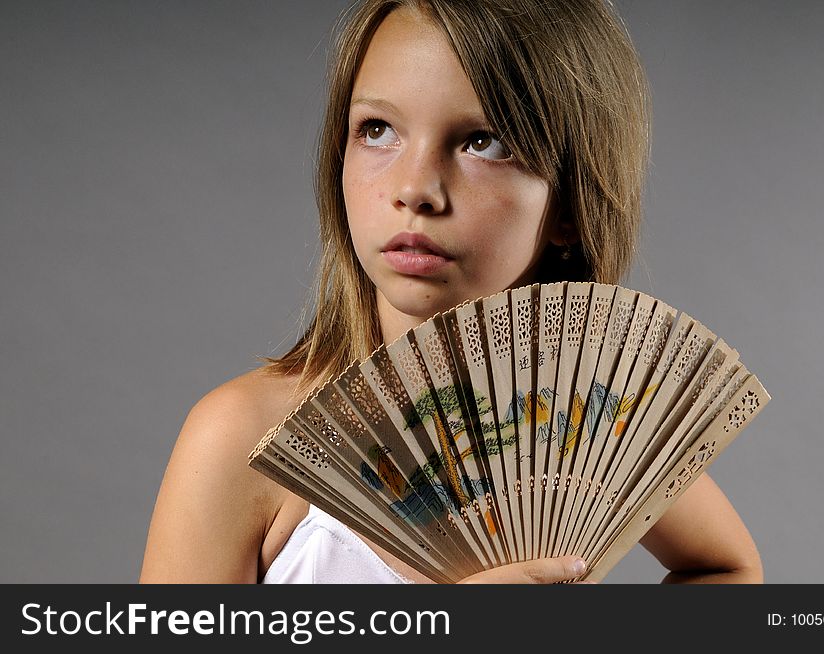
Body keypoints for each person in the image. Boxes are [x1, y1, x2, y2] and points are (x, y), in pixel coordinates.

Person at [140, 0, 763, 584]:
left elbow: (727, 570)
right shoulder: (243, 438)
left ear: (569, 204)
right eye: (378, 129)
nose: (415, 188)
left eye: (482, 142)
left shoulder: (585, 425)